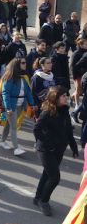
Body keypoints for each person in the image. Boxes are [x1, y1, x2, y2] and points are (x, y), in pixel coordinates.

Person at [32, 86, 78, 216]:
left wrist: (74, 148)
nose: (66, 98)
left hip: (59, 149)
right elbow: (37, 129)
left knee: (47, 174)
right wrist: (49, 143)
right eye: (63, 96)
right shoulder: (47, 112)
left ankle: (37, 197)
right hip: (46, 149)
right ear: (56, 98)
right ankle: (44, 201)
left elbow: (69, 131)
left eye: (66, 95)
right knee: (55, 177)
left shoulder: (64, 110)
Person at [0, 58, 36, 156]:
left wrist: (32, 104)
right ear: (16, 65)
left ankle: (2, 141)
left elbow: (28, 92)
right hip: (11, 105)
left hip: (20, 105)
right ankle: (16, 148)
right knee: (14, 126)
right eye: (23, 63)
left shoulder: (23, 77)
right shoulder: (9, 77)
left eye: (25, 62)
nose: (25, 64)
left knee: (9, 124)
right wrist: (8, 108)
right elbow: (5, 93)